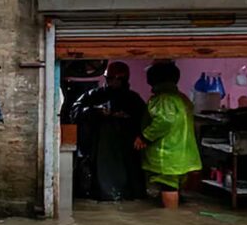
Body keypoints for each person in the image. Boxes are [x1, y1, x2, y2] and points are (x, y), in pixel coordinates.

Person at [70, 61, 147, 201]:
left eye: (119, 79)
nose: (114, 82)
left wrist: (140, 135)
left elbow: (145, 120)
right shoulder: (93, 95)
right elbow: (75, 112)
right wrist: (94, 111)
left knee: (129, 184)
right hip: (98, 147)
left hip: (126, 148)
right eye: (111, 78)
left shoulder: (133, 99)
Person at [137, 61, 202, 209]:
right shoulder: (182, 98)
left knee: (168, 186)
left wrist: (145, 136)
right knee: (174, 186)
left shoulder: (162, 99)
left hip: (167, 154)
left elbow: (164, 120)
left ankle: (170, 220)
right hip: (185, 154)